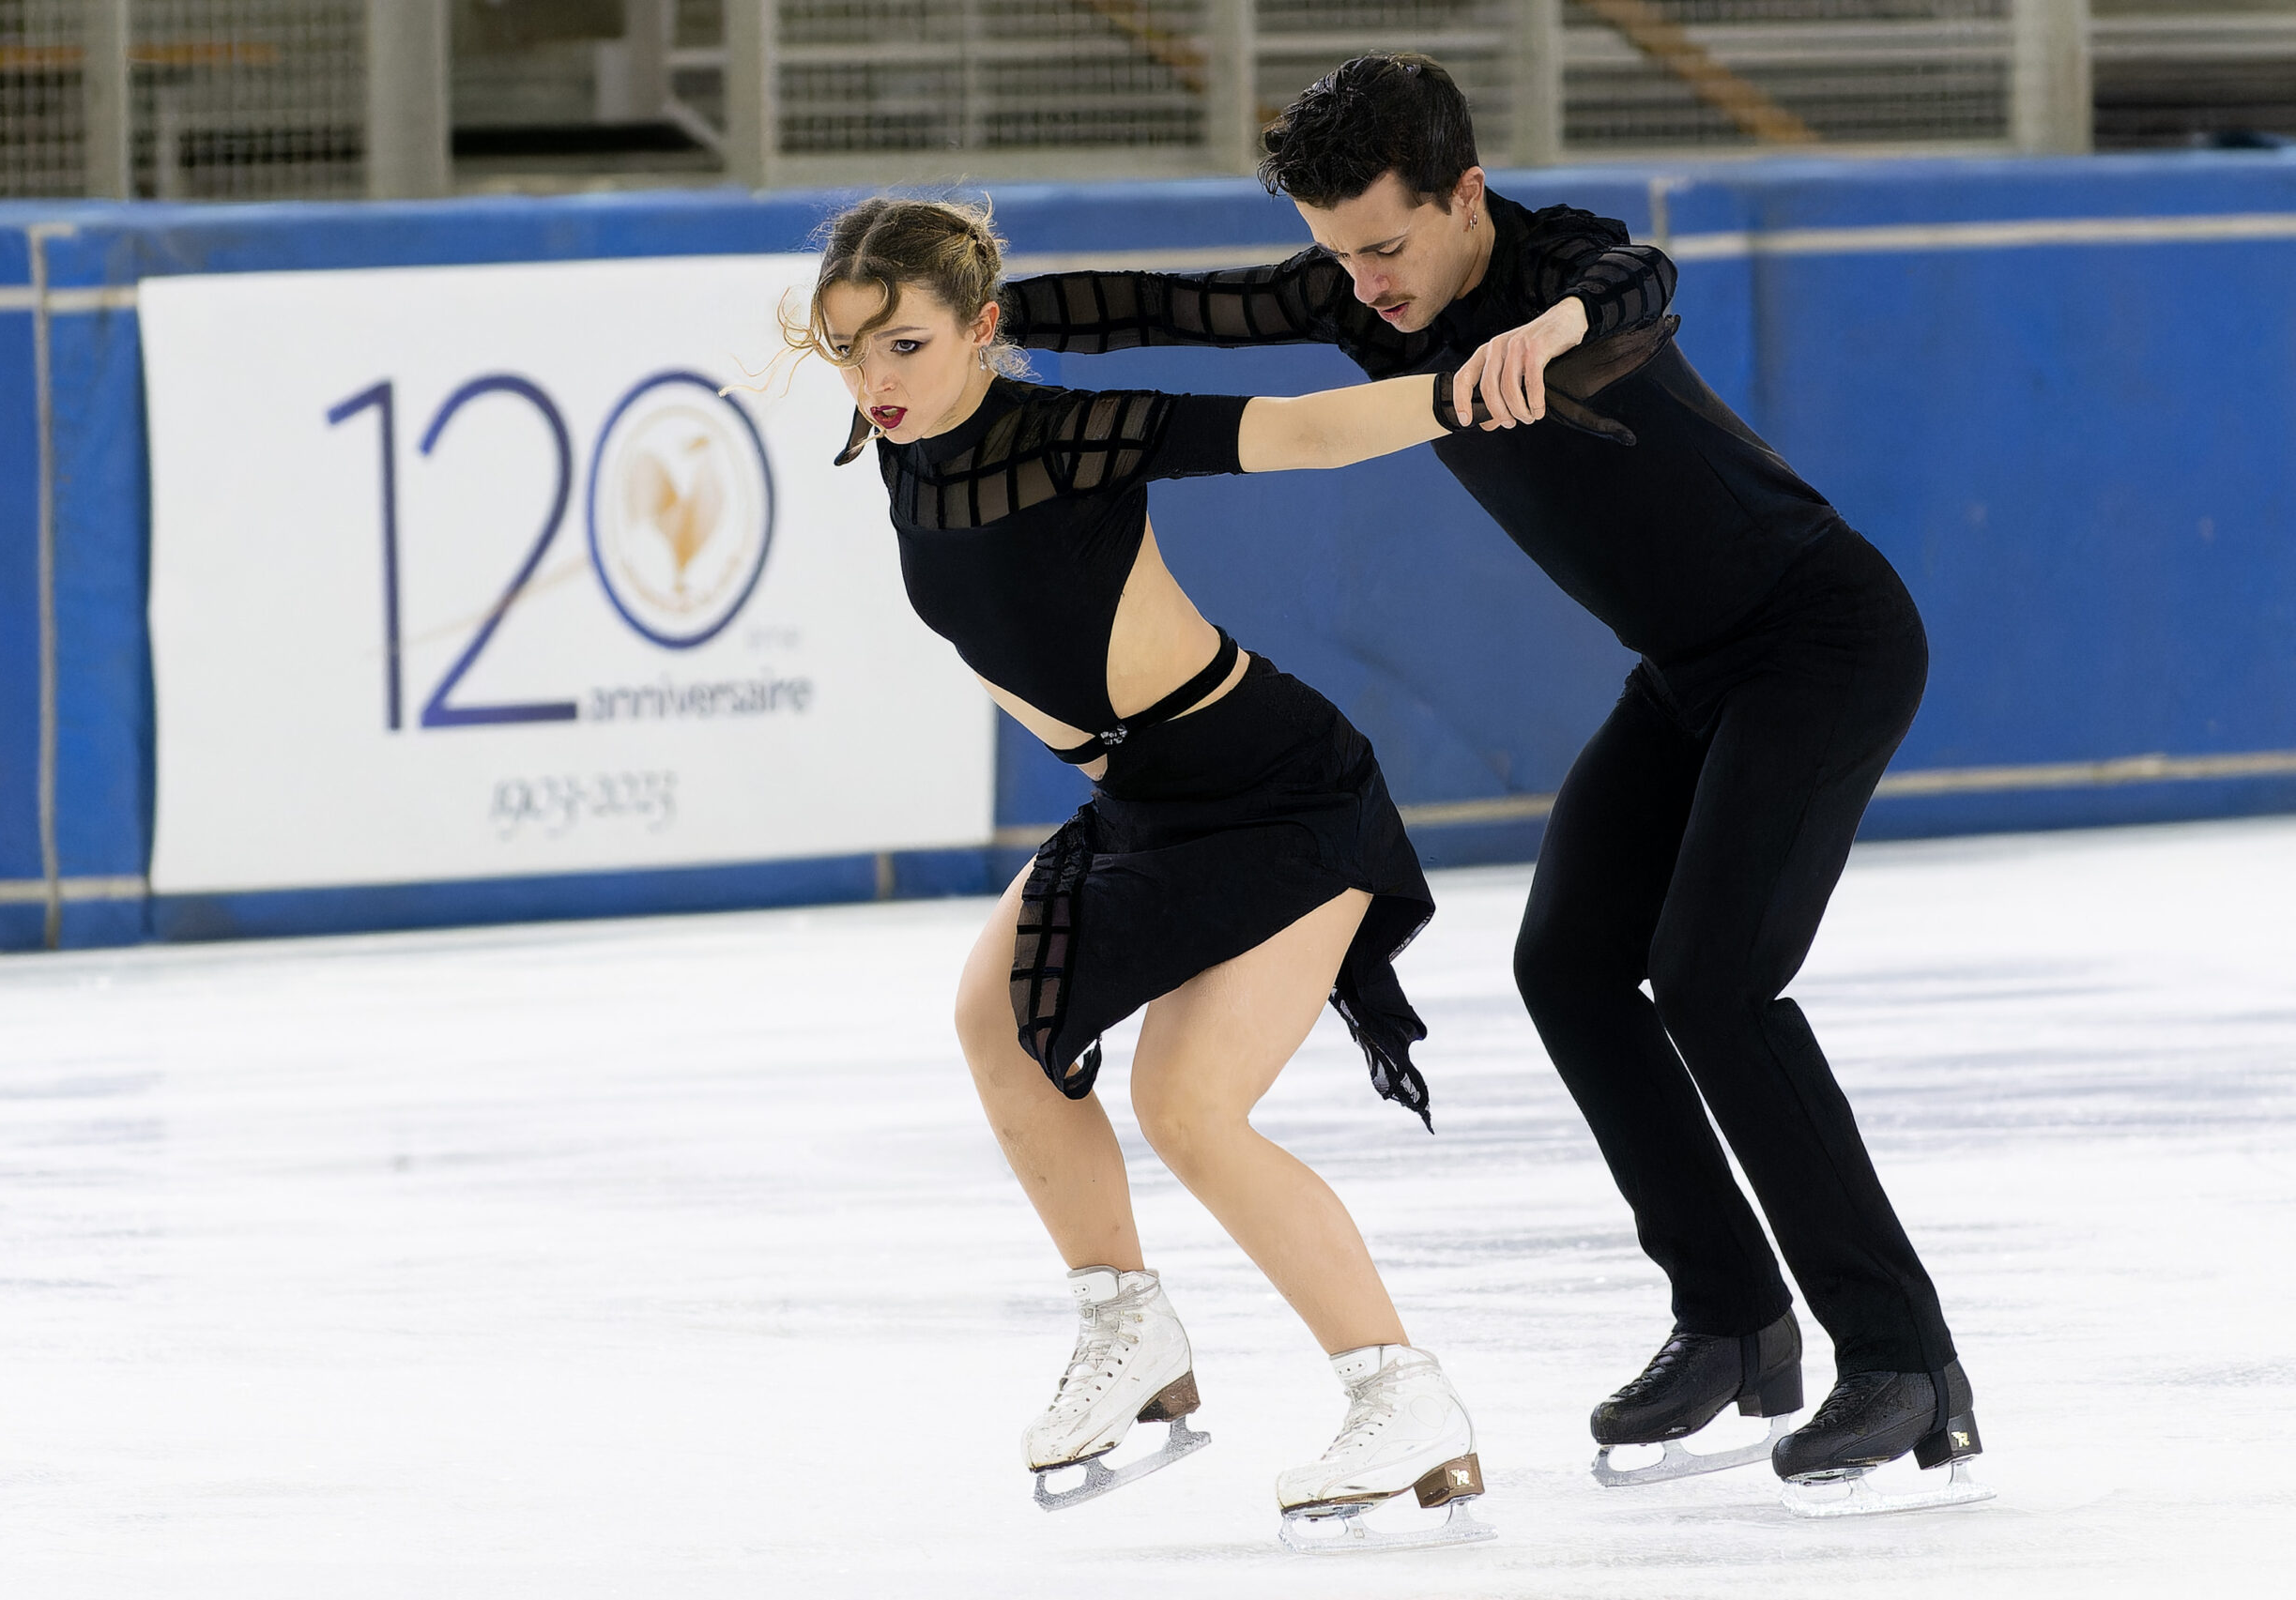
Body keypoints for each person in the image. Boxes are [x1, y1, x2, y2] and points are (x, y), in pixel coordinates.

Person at [1002, 53, 1986, 1515]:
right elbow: (1175, 305)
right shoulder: (1361, 298)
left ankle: (1908, 1363)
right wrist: (979, 314)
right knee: (1569, 965)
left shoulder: (1556, 261)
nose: (1367, 285)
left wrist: (1555, 327)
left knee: (1714, 981)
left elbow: (1639, 281)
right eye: (1340, 254)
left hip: (1819, 640)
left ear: (1466, 193)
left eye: (1387, 245)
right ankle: (1734, 1320)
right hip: (1688, 672)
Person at [784, 195, 1509, 1548]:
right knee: (997, 1019)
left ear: (982, 329)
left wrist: (1461, 394)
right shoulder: (899, 452)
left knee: (1189, 1104)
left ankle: (1404, 1397)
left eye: (904, 345)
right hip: (1146, 798)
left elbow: (1300, 433)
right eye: (850, 350)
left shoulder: (1069, 434)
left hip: (1278, 791)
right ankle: (1129, 1326)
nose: (875, 379)